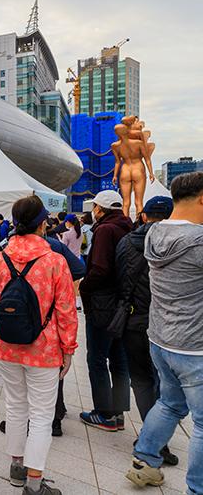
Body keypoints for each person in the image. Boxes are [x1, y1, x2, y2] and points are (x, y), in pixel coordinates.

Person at [0, 195, 79, 495]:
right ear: (42, 225)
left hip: (6, 347)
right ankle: (35, 483)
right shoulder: (55, 261)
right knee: (41, 415)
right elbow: (66, 310)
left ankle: (16, 467)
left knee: (15, 407)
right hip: (45, 348)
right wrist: (69, 348)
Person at [126, 172, 203, 492]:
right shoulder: (198, 241)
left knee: (170, 403)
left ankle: (145, 461)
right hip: (194, 346)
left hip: (160, 337)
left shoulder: (154, 232)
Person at [0, 223, 86, 437]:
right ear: (42, 225)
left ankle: (25, 437)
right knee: (51, 376)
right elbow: (79, 270)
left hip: (14, 326)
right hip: (49, 328)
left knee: (18, 394)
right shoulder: (55, 248)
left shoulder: (4, 253)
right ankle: (55, 417)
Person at [115, 196, 178, 466]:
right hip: (170, 324)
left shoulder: (127, 242)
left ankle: (151, 438)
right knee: (167, 384)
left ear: (143, 216)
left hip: (135, 321)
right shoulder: (182, 243)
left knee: (141, 379)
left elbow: (119, 278)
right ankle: (158, 441)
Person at [78, 190, 133, 431]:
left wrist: (83, 286)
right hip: (124, 302)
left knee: (97, 358)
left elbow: (99, 268)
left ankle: (104, 413)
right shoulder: (129, 227)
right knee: (119, 360)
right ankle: (118, 412)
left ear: (101, 209)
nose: (94, 211)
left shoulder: (104, 230)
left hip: (103, 303)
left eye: (96, 207)